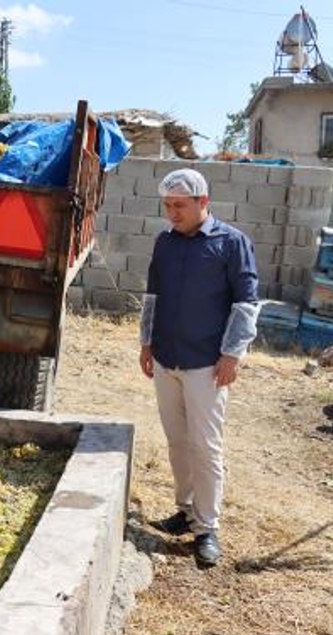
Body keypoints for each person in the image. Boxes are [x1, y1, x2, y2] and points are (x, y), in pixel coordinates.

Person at [139, 168, 259, 567]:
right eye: (167, 205)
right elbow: (153, 297)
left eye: (180, 206)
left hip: (206, 364)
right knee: (177, 441)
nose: (172, 213)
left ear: (203, 202)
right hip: (166, 358)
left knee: (205, 446)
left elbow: (246, 303)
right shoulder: (165, 242)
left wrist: (232, 354)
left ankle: (207, 528)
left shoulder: (231, 243)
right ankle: (186, 509)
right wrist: (146, 343)